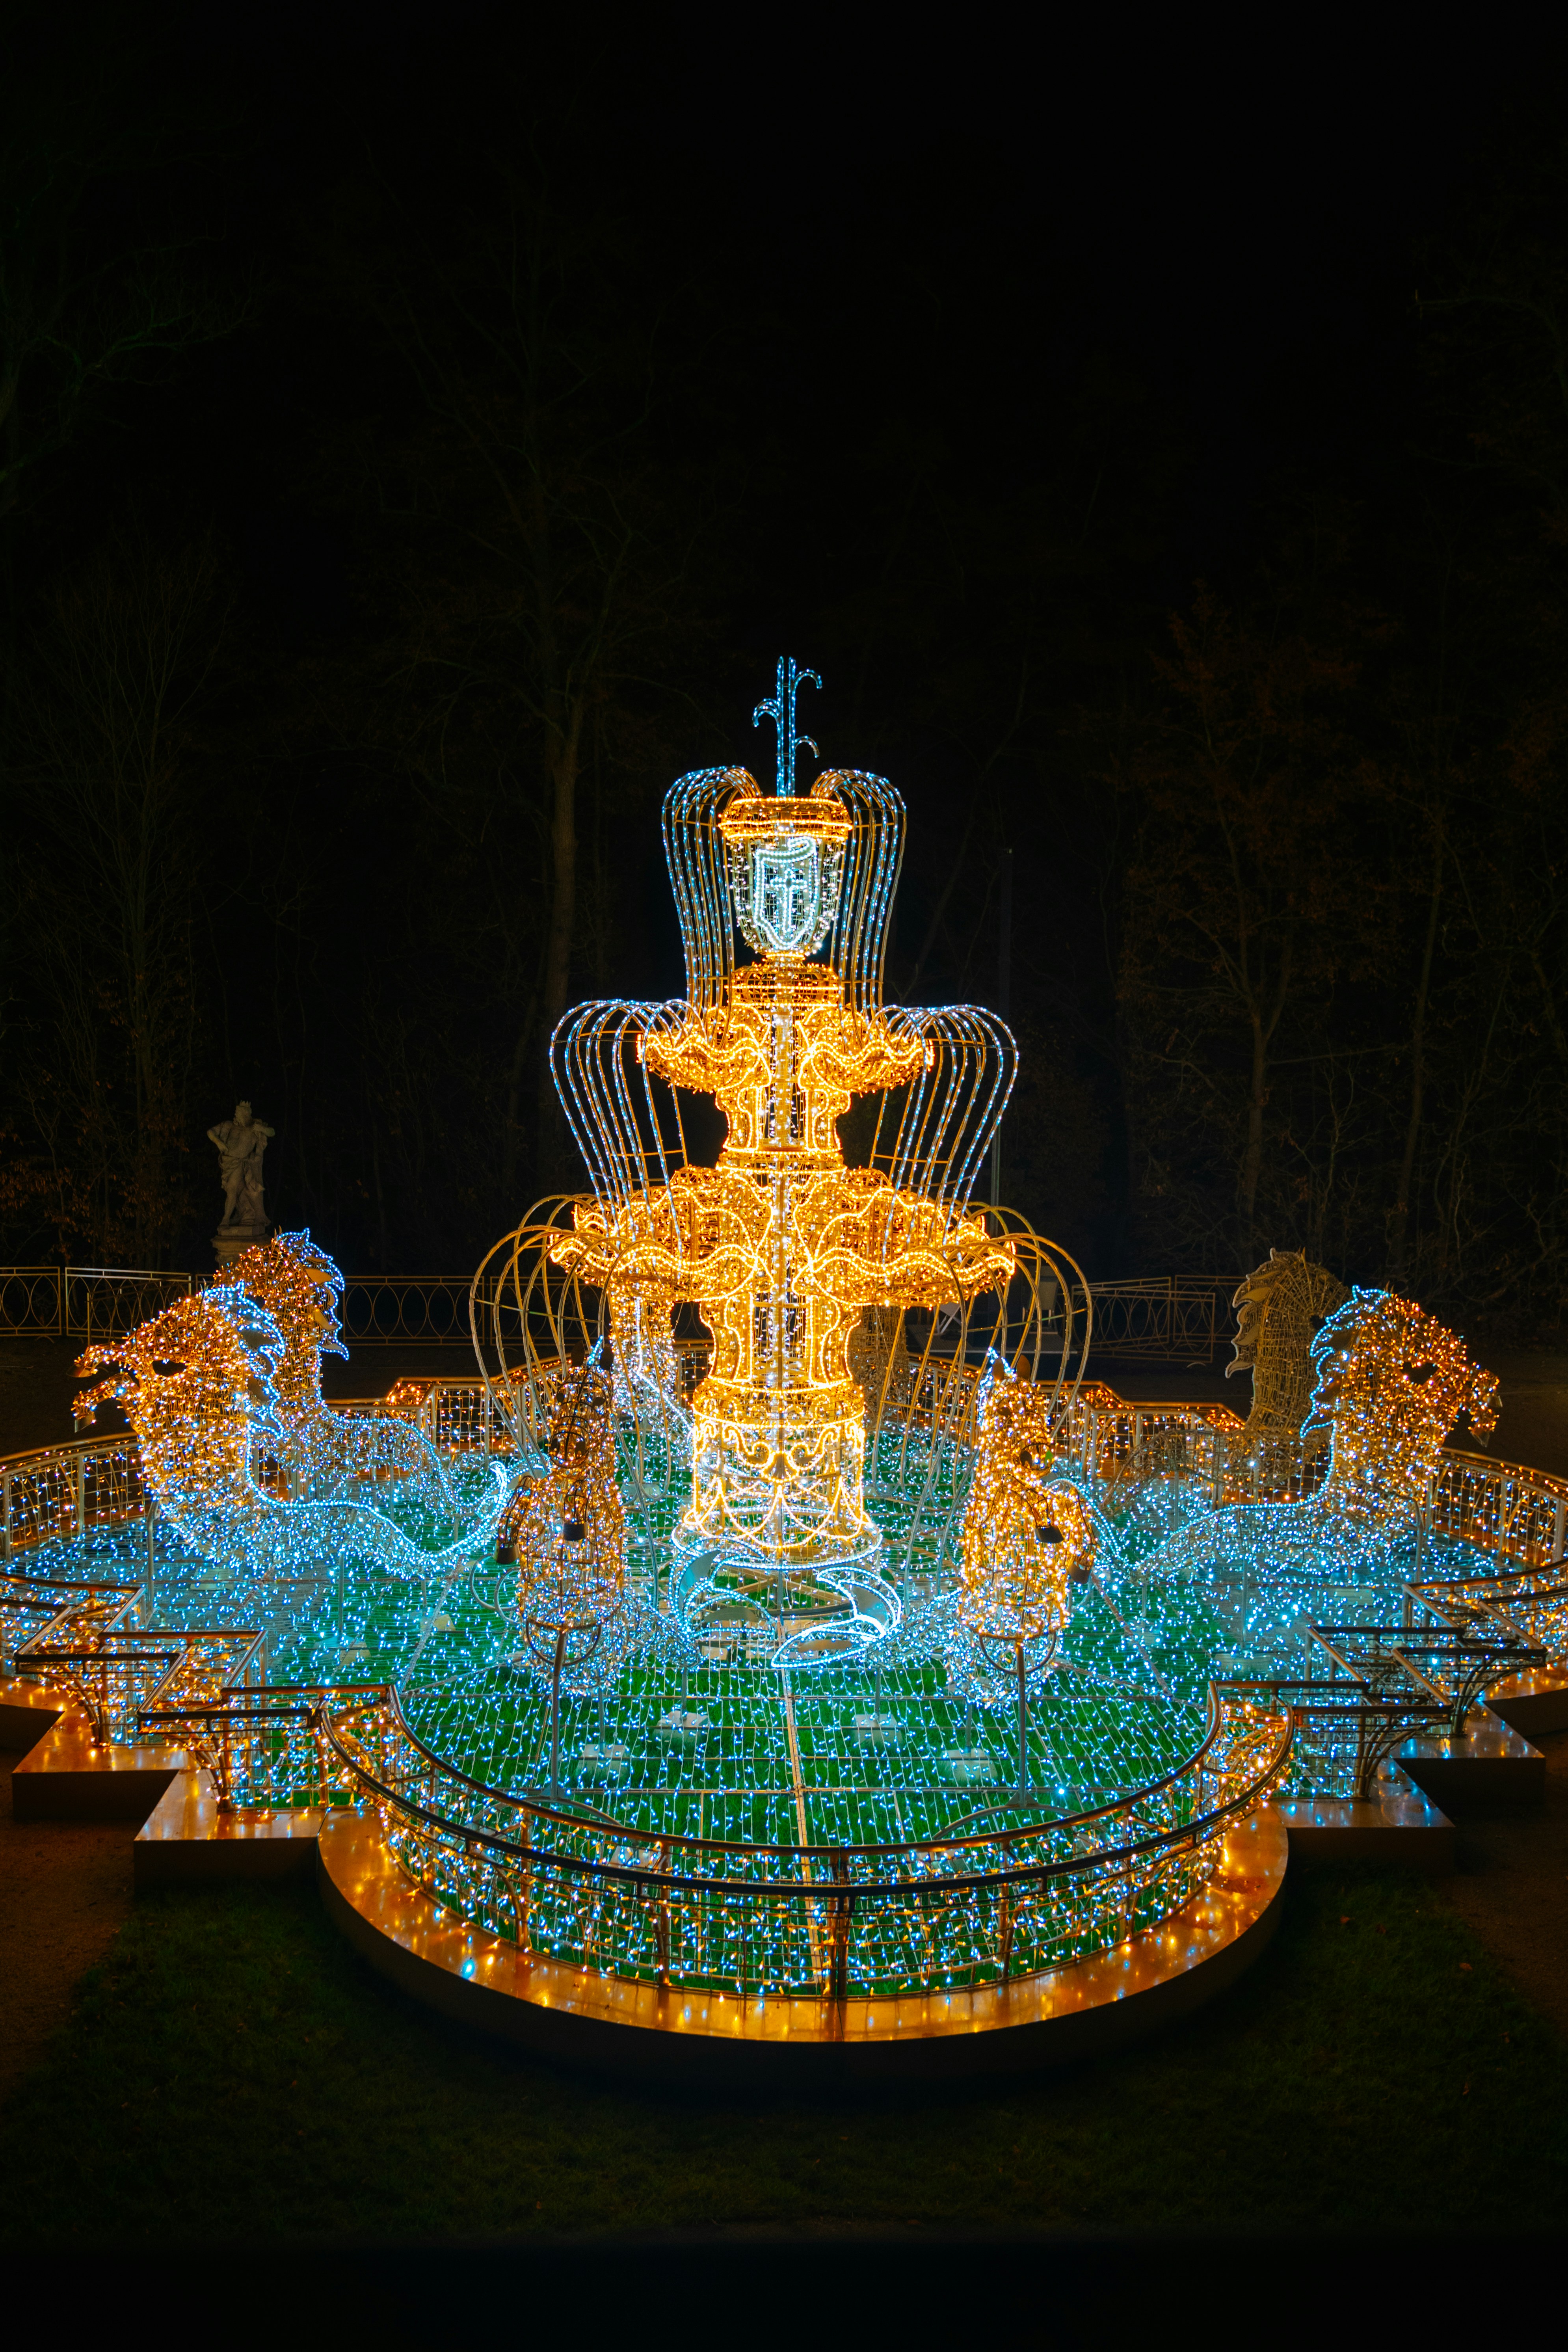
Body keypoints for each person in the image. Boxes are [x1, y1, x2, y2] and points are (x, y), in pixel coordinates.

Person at [208, 1101, 275, 1228]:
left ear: (246, 1115)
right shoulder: (228, 1126)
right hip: (228, 1163)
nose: (237, 1115)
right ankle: (240, 1214)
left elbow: (272, 1132)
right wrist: (219, 1143)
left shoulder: (254, 1127)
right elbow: (211, 1132)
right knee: (237, 1192)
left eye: (240, 1113)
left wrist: (262, 1129)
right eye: (237, 1113)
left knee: (233, 1190)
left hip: (241, 1163)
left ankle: (226, 1219)